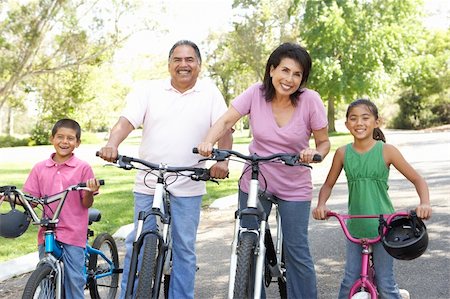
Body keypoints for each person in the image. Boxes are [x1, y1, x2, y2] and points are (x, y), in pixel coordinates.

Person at [97, 40, 232, 299]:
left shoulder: (210, 92)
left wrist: (222, 161)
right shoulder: (149, 90)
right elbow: (125, 122)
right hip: (150, 180)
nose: (184, 65)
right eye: (178, 60)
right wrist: (112, 144)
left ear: (199, 65)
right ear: (169, 64)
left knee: (184, 248)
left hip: (189, 181)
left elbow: (225, 128)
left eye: (190, 59)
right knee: (137, 241)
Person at [197, 42, 330, 298]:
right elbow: (226, 120)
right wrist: (208, 142)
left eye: (297, 74)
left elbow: (323, 142)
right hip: (257, 179)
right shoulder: (256, 93)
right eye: (285, 70)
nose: (289, 79)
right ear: (271, 70)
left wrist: (315, 154)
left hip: (294, 183)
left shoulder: (310, 100)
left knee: (297, 249)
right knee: (247, 241)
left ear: (303, 79)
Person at [312, 99, 432, 299]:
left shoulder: (386, 151)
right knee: (349, 280)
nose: (359, 123)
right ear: (347, 124)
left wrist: (424, 203)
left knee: (386, 284)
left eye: (365, 118)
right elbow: (328, 185)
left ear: (377, 122)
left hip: (384, 227)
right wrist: (321, 205)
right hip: (355, 229)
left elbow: (417, 179)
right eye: (353, 118)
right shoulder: (343, 153)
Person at [23, 118, 101, 299]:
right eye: (60, 137)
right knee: (45, 281)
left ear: (78, 143)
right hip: (47, 231)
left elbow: (86, 203)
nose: (64, 142)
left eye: (70, 138)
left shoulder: (82, 168)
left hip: (73, 232)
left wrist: (90, 191)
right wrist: (12, 198)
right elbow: (32, 200)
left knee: (74, 280)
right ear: (52, 139)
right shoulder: (40, 168)